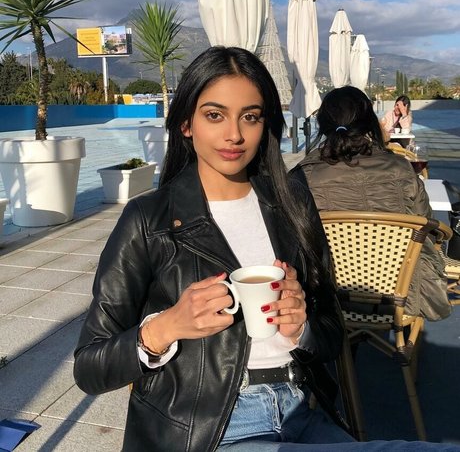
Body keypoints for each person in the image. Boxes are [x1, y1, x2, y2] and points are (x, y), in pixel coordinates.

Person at [74, 48, 457, 452]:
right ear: (186, 123)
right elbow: (90, 367)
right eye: (215, 115)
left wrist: (302, 326)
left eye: (251, 117)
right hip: (207, 430)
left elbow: (331, 333)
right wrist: (165, 327)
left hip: (300, 412)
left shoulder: (292, 202)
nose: (234, 135)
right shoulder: (148, 220)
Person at [296, 86, 451, 323]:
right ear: (369, 122)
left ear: (323, 125)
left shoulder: (302, 177)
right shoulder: (401, 169)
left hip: (327, 300)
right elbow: (426, 224)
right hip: (402, 296)